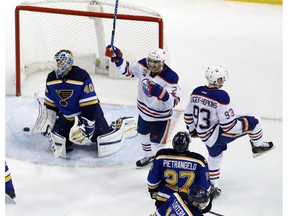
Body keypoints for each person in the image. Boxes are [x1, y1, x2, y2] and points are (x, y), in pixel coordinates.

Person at [184, 65, 274, 198]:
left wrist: (192, 131)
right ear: (217, 80)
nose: (222, 81)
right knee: (254, 119)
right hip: (217, 134)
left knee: (215, 158)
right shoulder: (221, 96)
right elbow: (228, 126)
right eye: (221, 79)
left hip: (205, 135)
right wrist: (245, 124)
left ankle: (213, 186)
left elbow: (187, 115)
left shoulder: (196, 91)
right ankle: (258, 146)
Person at [32, 49, 136, 158]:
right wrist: (48, 121)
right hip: (67, 117)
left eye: (61, 61)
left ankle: (121, 124)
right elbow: (50, 105)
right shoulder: (51, 78)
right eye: (57, 61)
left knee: (103, 138)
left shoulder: (81, 76)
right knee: (63, 140)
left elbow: (90, 105)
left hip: (87, 115)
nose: (59, 64)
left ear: (69, 62)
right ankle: (62, 128)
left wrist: (87, 127)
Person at [105, 45, 181, 167]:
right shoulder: (143, 65)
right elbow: (128, 70)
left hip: (159, 118)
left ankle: (158, 166)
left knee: (157, 144)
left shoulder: (171, 77)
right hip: (143, 113)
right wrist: (118, 58)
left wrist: (162, 93)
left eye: (155, 62)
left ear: (162, 62)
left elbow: (174, 102)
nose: (151, 64)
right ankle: (148, 157)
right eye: (150, 61)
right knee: (143, 136)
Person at [147, 131, 212, 209]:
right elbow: (204, 185)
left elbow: (153, 178)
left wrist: (152, 189)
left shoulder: (161, 155)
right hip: (187, 200)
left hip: (165, 197)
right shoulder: (199, 161)